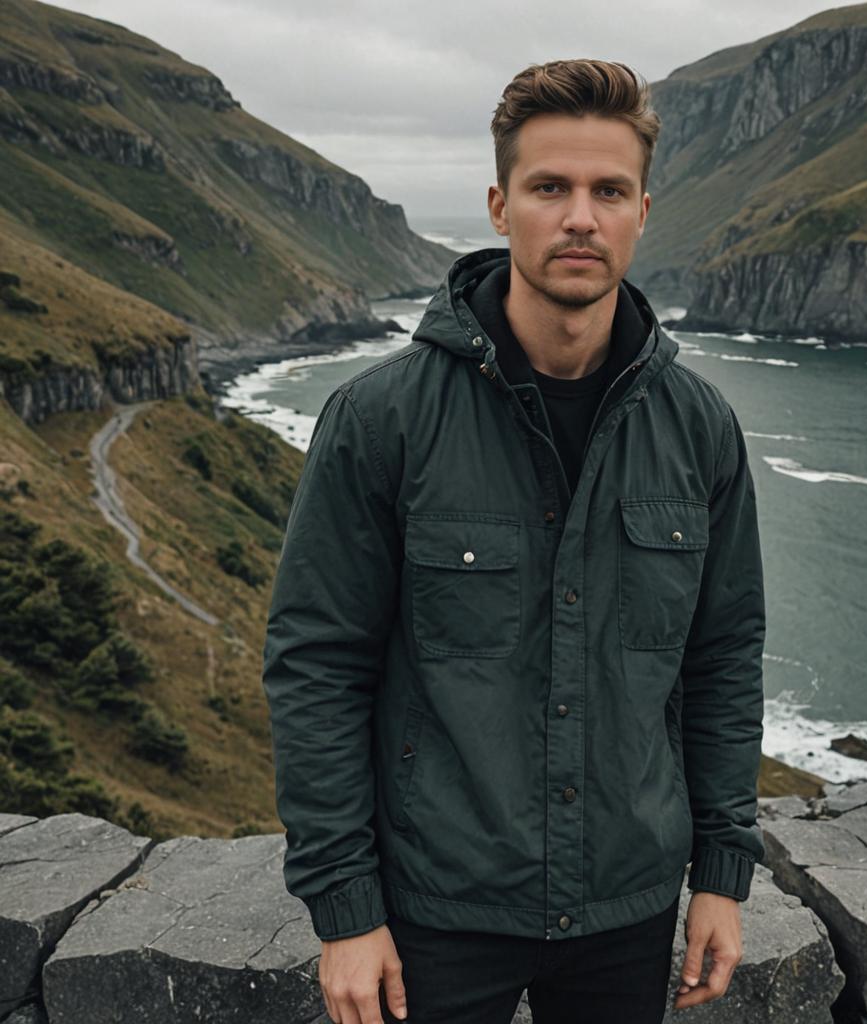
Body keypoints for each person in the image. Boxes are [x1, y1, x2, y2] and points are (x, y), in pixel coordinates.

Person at [262, 58, 766, 1024]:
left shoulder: (701, 429)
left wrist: (723, 871)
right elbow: (317, 663)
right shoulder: (382, 421)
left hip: (630, 908)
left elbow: (722, 654)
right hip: (434, 915)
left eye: (608, 190)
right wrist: (344, 909)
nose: (581, 216)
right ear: (501, 207)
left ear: (642, 211)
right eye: (551, 188)